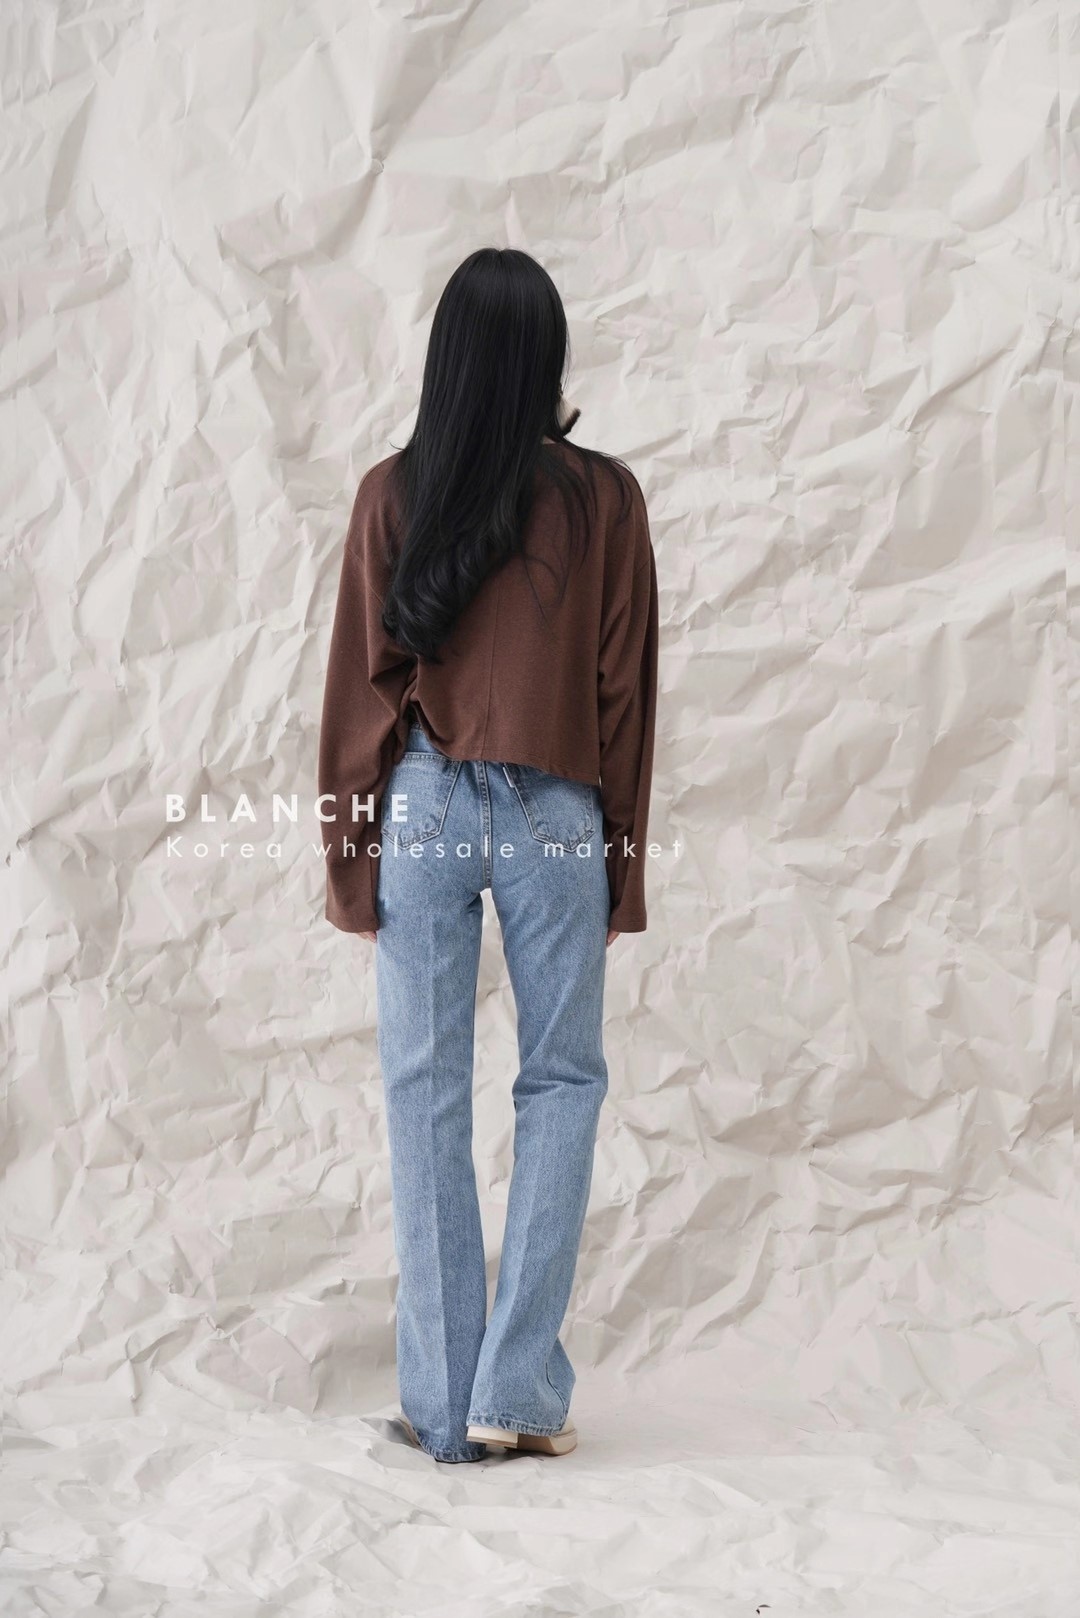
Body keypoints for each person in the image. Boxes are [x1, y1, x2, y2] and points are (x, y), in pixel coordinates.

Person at [318, 247, 659, 1463]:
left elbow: (361, 689)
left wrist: (350, 857)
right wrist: (620, 863)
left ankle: (439, 1404)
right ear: (547, 355)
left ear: (449, 358)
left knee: (423, 1089)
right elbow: (623, 695)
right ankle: (514, 1393)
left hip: (421, 804)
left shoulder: (393, 492)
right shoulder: (605, 499)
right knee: (561, 1080)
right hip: (558, 808)